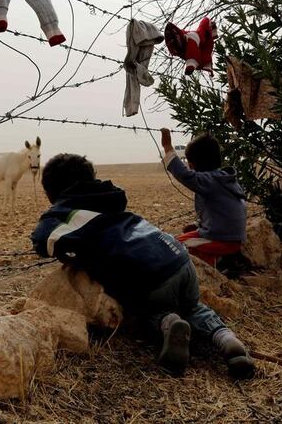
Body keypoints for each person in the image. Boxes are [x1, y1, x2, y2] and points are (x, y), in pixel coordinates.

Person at [30, 153, 255, 378]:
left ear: (52, 193)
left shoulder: (66, 213)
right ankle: (226, 338)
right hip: (178, 258)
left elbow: (41, 240)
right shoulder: (110, 195)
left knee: (141, 311)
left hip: (150, 276)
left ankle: (167, 323)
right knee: (193, 306)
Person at [161, 129, 248, 274]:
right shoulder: (225, 178)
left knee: (176, 248)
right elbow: (222, 211)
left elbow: (184, 175)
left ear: (191, 165)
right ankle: (227, 256)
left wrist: (168, 148)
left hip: (221, 240)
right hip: (228, 237)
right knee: (175, 240)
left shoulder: (208, 181)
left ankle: (219, 263)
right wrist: (198, 225)